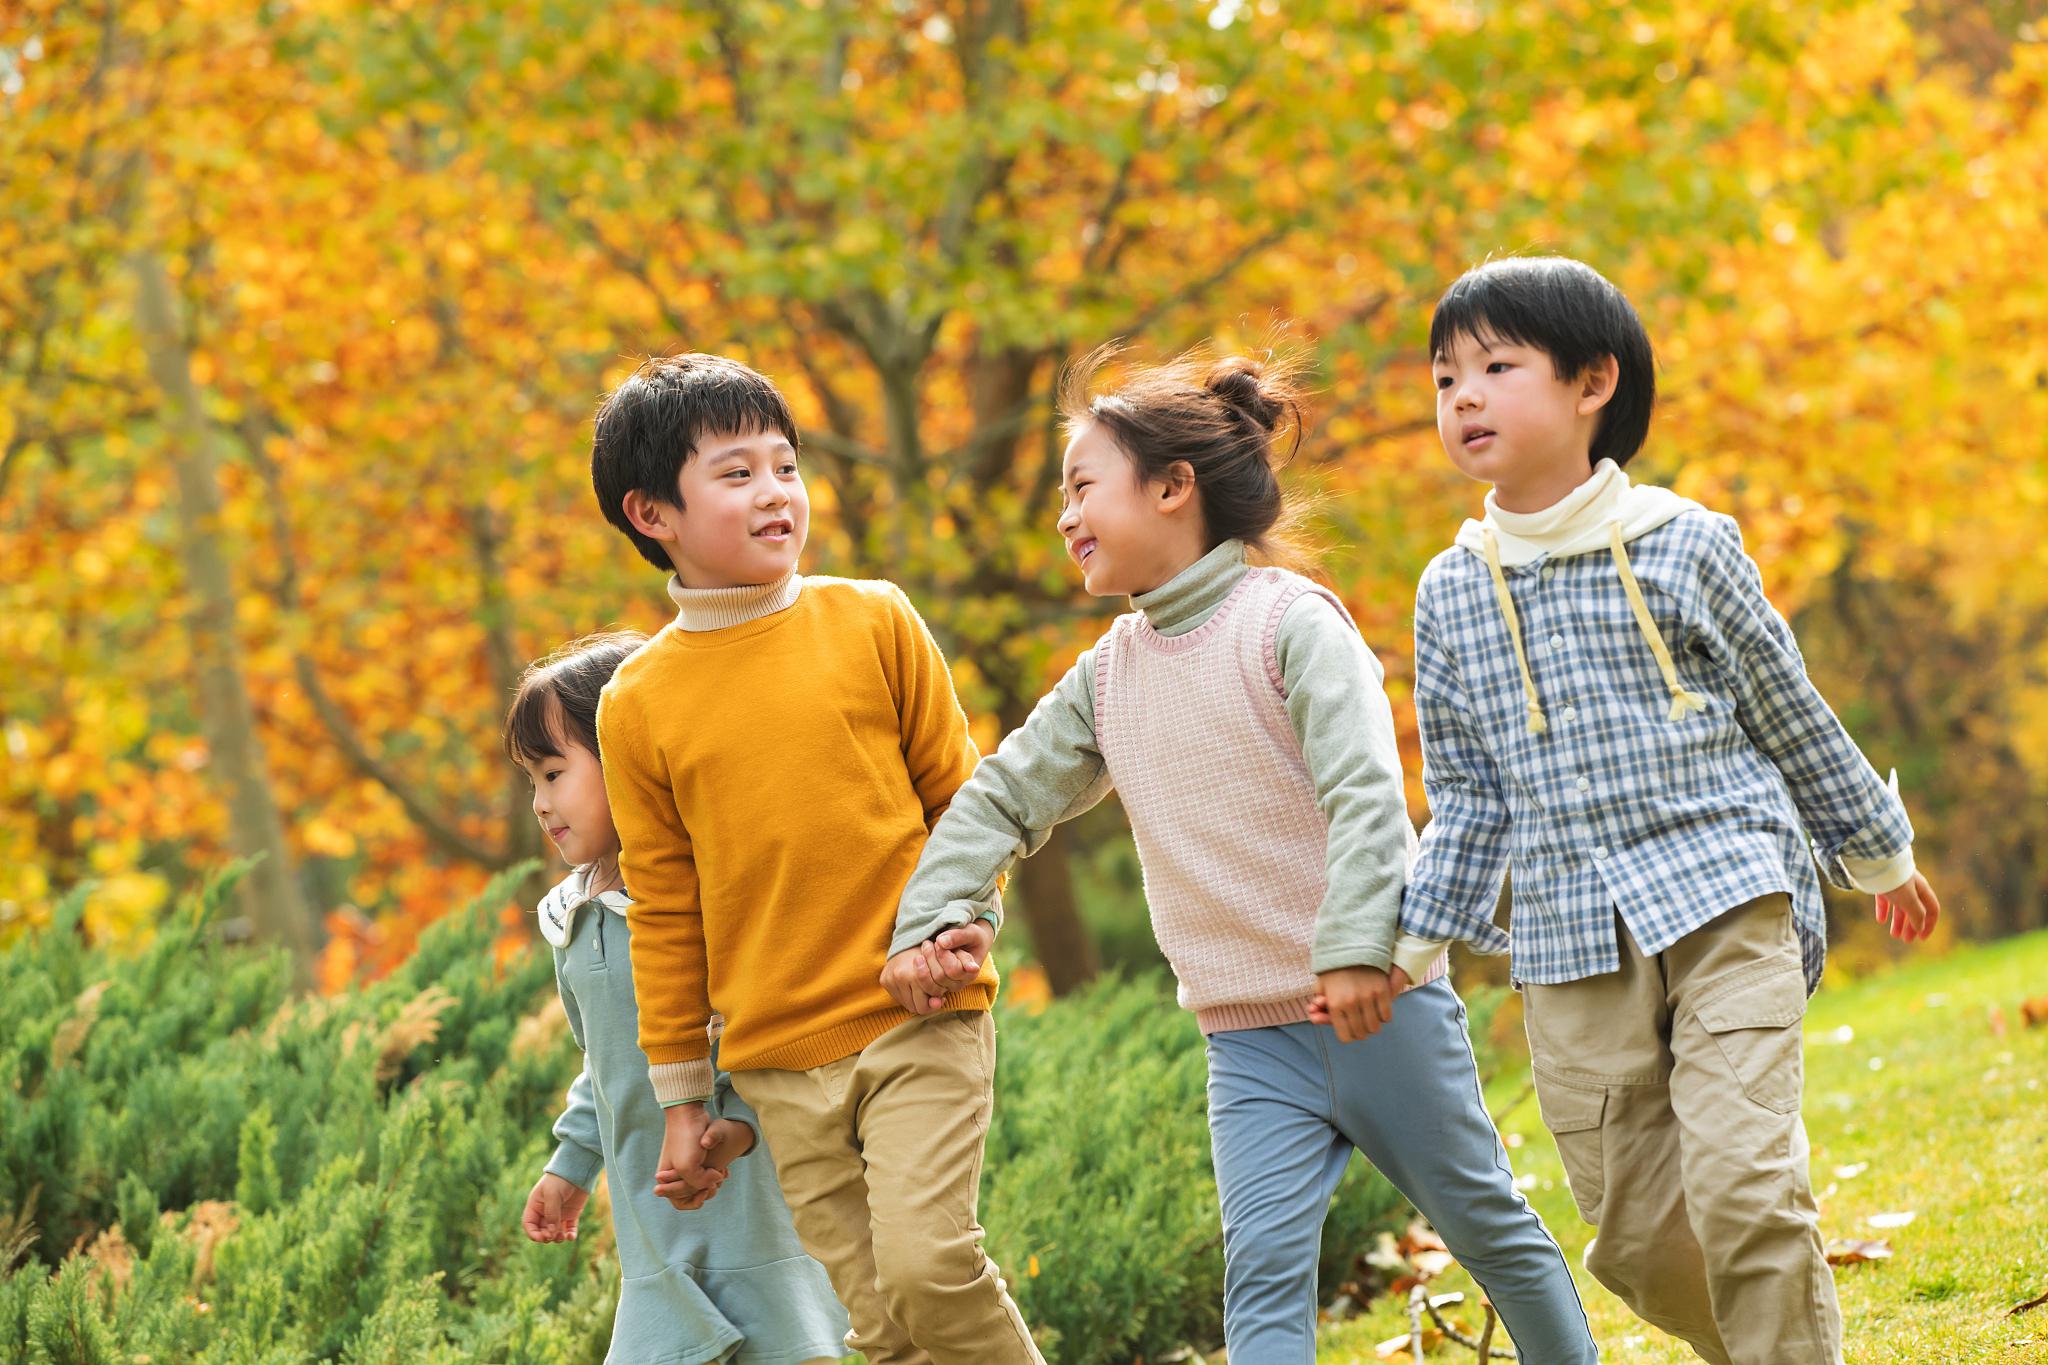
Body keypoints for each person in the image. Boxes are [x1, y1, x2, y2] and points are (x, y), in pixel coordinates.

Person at [885, 342, 1595, 1364]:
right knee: (1258, 1274)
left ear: (1171, 488)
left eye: (1082, 487)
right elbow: (1000, 795)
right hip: (1247, 1044)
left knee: (1485, 1226)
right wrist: (931, 916)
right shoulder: (1107, 674)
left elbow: (1363, 794)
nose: (1064, 516)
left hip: (1375, 1011)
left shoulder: (1286, 624)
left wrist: (1359, 950)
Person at [1400, 255, 1941, 1364]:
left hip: (1724, 896)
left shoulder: (1685, 544)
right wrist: (1406, 942)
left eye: (1495, 367)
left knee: (1744, 1188)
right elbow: (1461, 797)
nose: (1462, 397)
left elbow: (1786, 712)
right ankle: (1763, 1344)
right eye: (1443, 378)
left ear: (1592, 381)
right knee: (1634, 1239)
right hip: (1563, 938)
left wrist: (1876, 855)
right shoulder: (1448, 591)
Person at [589, 354, 1042, 1364]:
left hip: (915, 1013)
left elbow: (967, 805)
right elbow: (665, 911)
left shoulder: (872, 619)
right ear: (652, 512)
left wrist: (967, 917)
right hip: (776, 1061)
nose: (775, 494)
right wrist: (682, 1102)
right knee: (882, 1326)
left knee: (932, 1266)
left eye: (785, 467)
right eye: (736, 473)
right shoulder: (637, 704)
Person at [508, 631, 847, 1365]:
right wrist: (571, 1167)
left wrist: (734, 1125)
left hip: (750, 1212)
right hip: (657, 1233)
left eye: (555, 772)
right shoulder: (573, 918)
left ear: (637, 753)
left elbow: (775, 1036)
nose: (540, 802)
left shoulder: (712, 898)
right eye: (531, 780)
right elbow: (604, 1065)